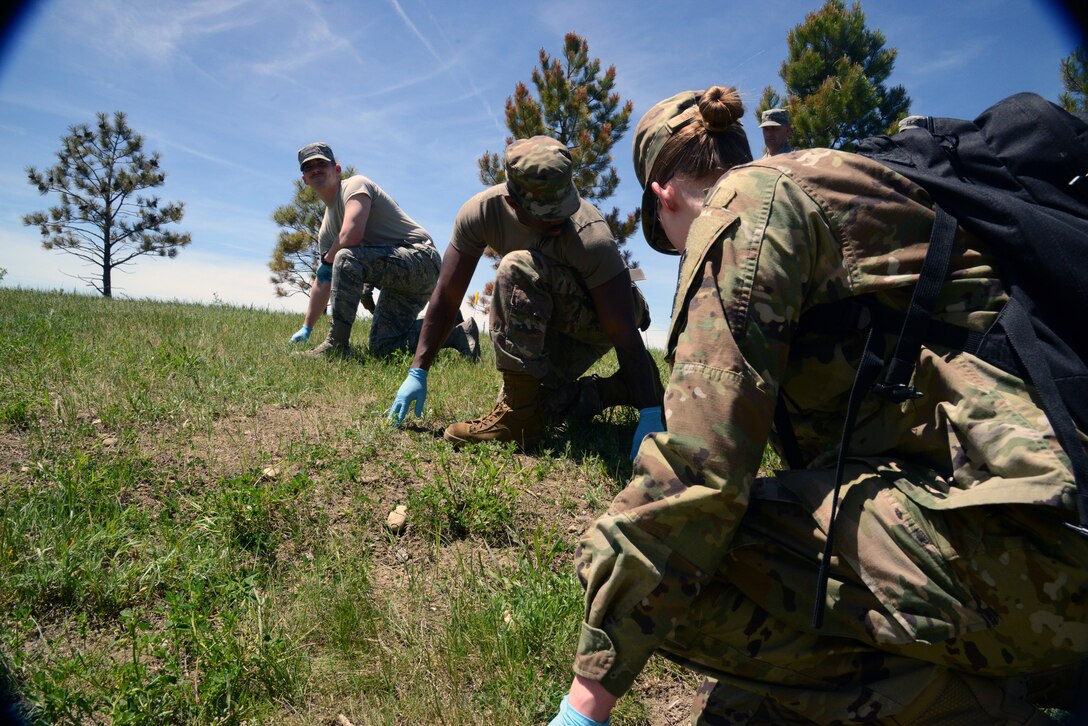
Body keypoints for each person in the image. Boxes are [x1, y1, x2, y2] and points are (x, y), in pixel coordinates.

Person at [550, 86, 1088, 724]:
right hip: (1045, 534)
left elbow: (701, 478)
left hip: (1036, 554)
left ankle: (981, 703)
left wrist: (588, 700)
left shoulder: (743, 203)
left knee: (670, 558)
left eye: (669, 240)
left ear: (664, 195)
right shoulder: (847, 185)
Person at [387, 135, 663, 454]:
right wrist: (418, 369)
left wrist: (651, 413)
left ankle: (518, 418)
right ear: (512, 203)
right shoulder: (481, 214)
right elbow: (447, 295)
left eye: (564, 209)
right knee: (539, 408)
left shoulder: (591, 236)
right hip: (554, 313)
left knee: (517, 265)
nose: (559, 222)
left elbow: (622, 329)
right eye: (547, 215)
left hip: (602, 313)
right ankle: (613, 390)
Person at [288, 142, 479, 361]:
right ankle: (457, 333)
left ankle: (336, 346)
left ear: (337, 169)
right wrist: (307, 327)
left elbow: (351, 236)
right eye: (308, 167)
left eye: (321, 163)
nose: (315, 170)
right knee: (383, 347)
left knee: (344, 256)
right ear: (304, 179)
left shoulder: (355, 185)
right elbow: (323, 279)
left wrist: (329, 260)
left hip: (421, 259)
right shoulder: (327, 229)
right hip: (398, 280)